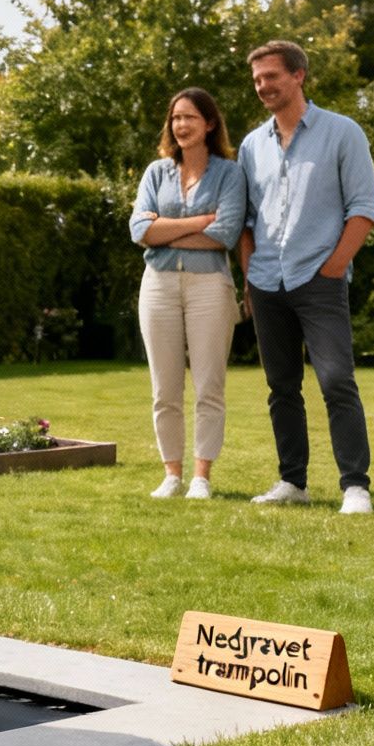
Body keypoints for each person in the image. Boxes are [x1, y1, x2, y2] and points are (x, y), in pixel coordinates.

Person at [237, 40, 374, 515]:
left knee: (337, 380)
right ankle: (292, 481)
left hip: (319, 278)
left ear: (298, 76)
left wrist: (333, 267)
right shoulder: (251, 145)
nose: (263, 87)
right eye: (257, 80)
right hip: (267, 281)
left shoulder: (343, 133)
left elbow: (364, 208)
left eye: (271, 77)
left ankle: (355, 486)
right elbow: (246, 219)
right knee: (281, 387)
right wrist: (250, 277)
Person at [129, 87, 247, 500]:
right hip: (158, 286)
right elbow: (139, 231)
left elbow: (226, 234)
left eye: (190, 117)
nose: (181, 125)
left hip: (210, 287)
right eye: (176, 118)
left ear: (210, 124)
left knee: (209, 385)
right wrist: (200, 222)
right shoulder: (156, 173)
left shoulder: (230, 173)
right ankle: (172, 474)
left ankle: (201, 476)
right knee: (164, 388)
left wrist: (167, 230)